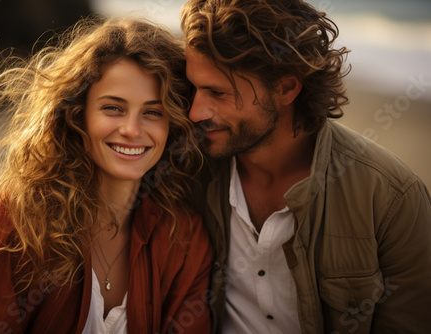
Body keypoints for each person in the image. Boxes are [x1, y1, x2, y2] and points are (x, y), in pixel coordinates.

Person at [180, 0, 431, 333]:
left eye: (217, 92)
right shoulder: (186, 171)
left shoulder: (392, 199)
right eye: (194, 88)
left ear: (286, 87)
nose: (196, 112)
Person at [0, 16, 212, 334]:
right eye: (113, 108)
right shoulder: (21, 222)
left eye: (152, 112)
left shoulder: (185, 237)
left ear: (172, 122)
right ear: (77, 114)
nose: (132, 130)